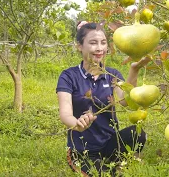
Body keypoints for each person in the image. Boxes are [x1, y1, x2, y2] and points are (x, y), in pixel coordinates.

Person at [56, 21, 150, 176]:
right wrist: (77, 124)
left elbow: (126, 101)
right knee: (104, 174)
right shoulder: (69, 76)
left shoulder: (111, 75)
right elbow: (65, 114)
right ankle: (112, 167)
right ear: (79, 46)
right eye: (93, 43)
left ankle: (119, 163)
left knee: (138, 133)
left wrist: (135, 69)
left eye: (103, 43)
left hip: (109, 144)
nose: (99, 48)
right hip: (82, 150)